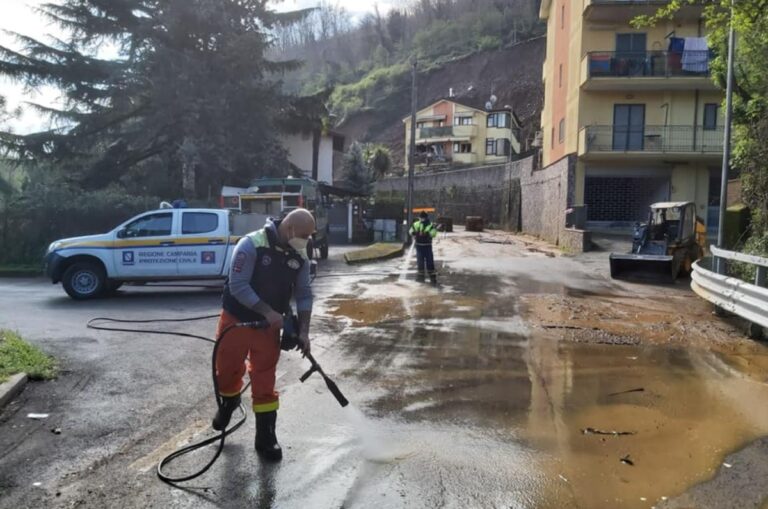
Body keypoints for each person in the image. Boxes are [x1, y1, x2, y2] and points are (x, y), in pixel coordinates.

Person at [212, 208, 315, 462]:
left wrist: (303, 331)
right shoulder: (250, 245)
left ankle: (266, 436)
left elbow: (303, 294)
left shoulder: (300, 255)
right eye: (304, 235)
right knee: (226, 370)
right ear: (289, 229)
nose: (306, 240)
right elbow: (238, 285)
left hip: (268, 327)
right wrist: (267, 311)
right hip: (236, 320)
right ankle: (228, 403)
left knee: (265, 377)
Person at [409, 211, 438, 284]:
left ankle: (433, 279)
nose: (422, 219)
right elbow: (410, 231)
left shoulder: (430, 225)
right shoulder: (416, 224)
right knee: (420, 262)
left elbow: (434, 234)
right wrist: (414, 233)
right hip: (419, 246)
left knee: (430, 262)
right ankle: (421, 278)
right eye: (421, 218)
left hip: (427, 246)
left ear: (426, 218)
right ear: (419, 218)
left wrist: (427, 234)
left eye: (423, 218)